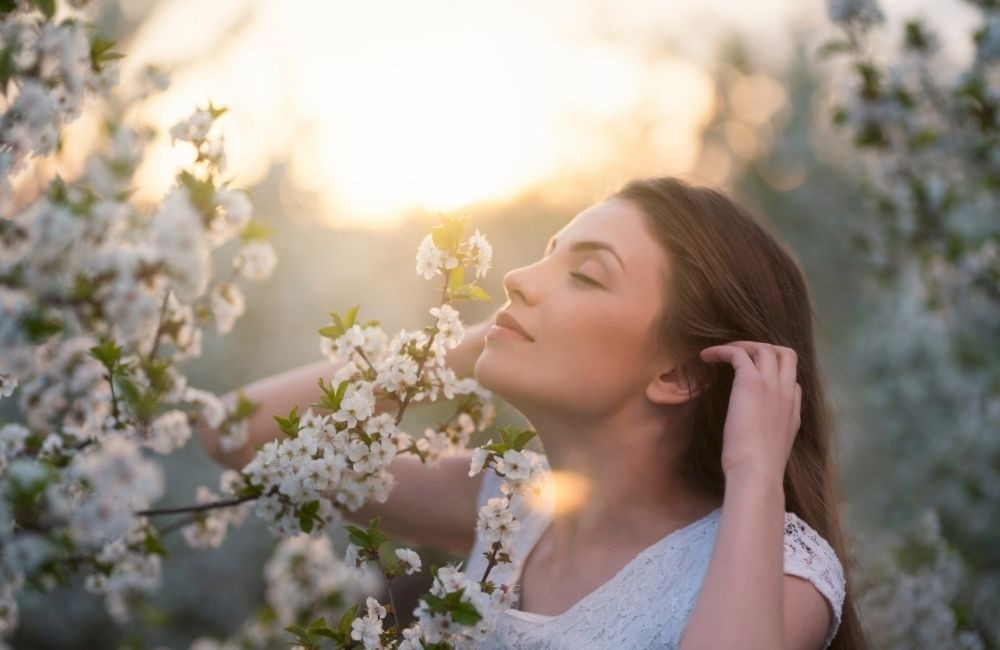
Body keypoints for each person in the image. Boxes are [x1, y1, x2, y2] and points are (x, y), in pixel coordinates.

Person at [199, 176, 868, 649]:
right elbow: (237, 433)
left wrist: (756, 470)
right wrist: (443, 353)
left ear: (678, 372)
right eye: (548, 254)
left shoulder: (779, 568)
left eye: (586, 274)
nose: (517, 279)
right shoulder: (511, 506)